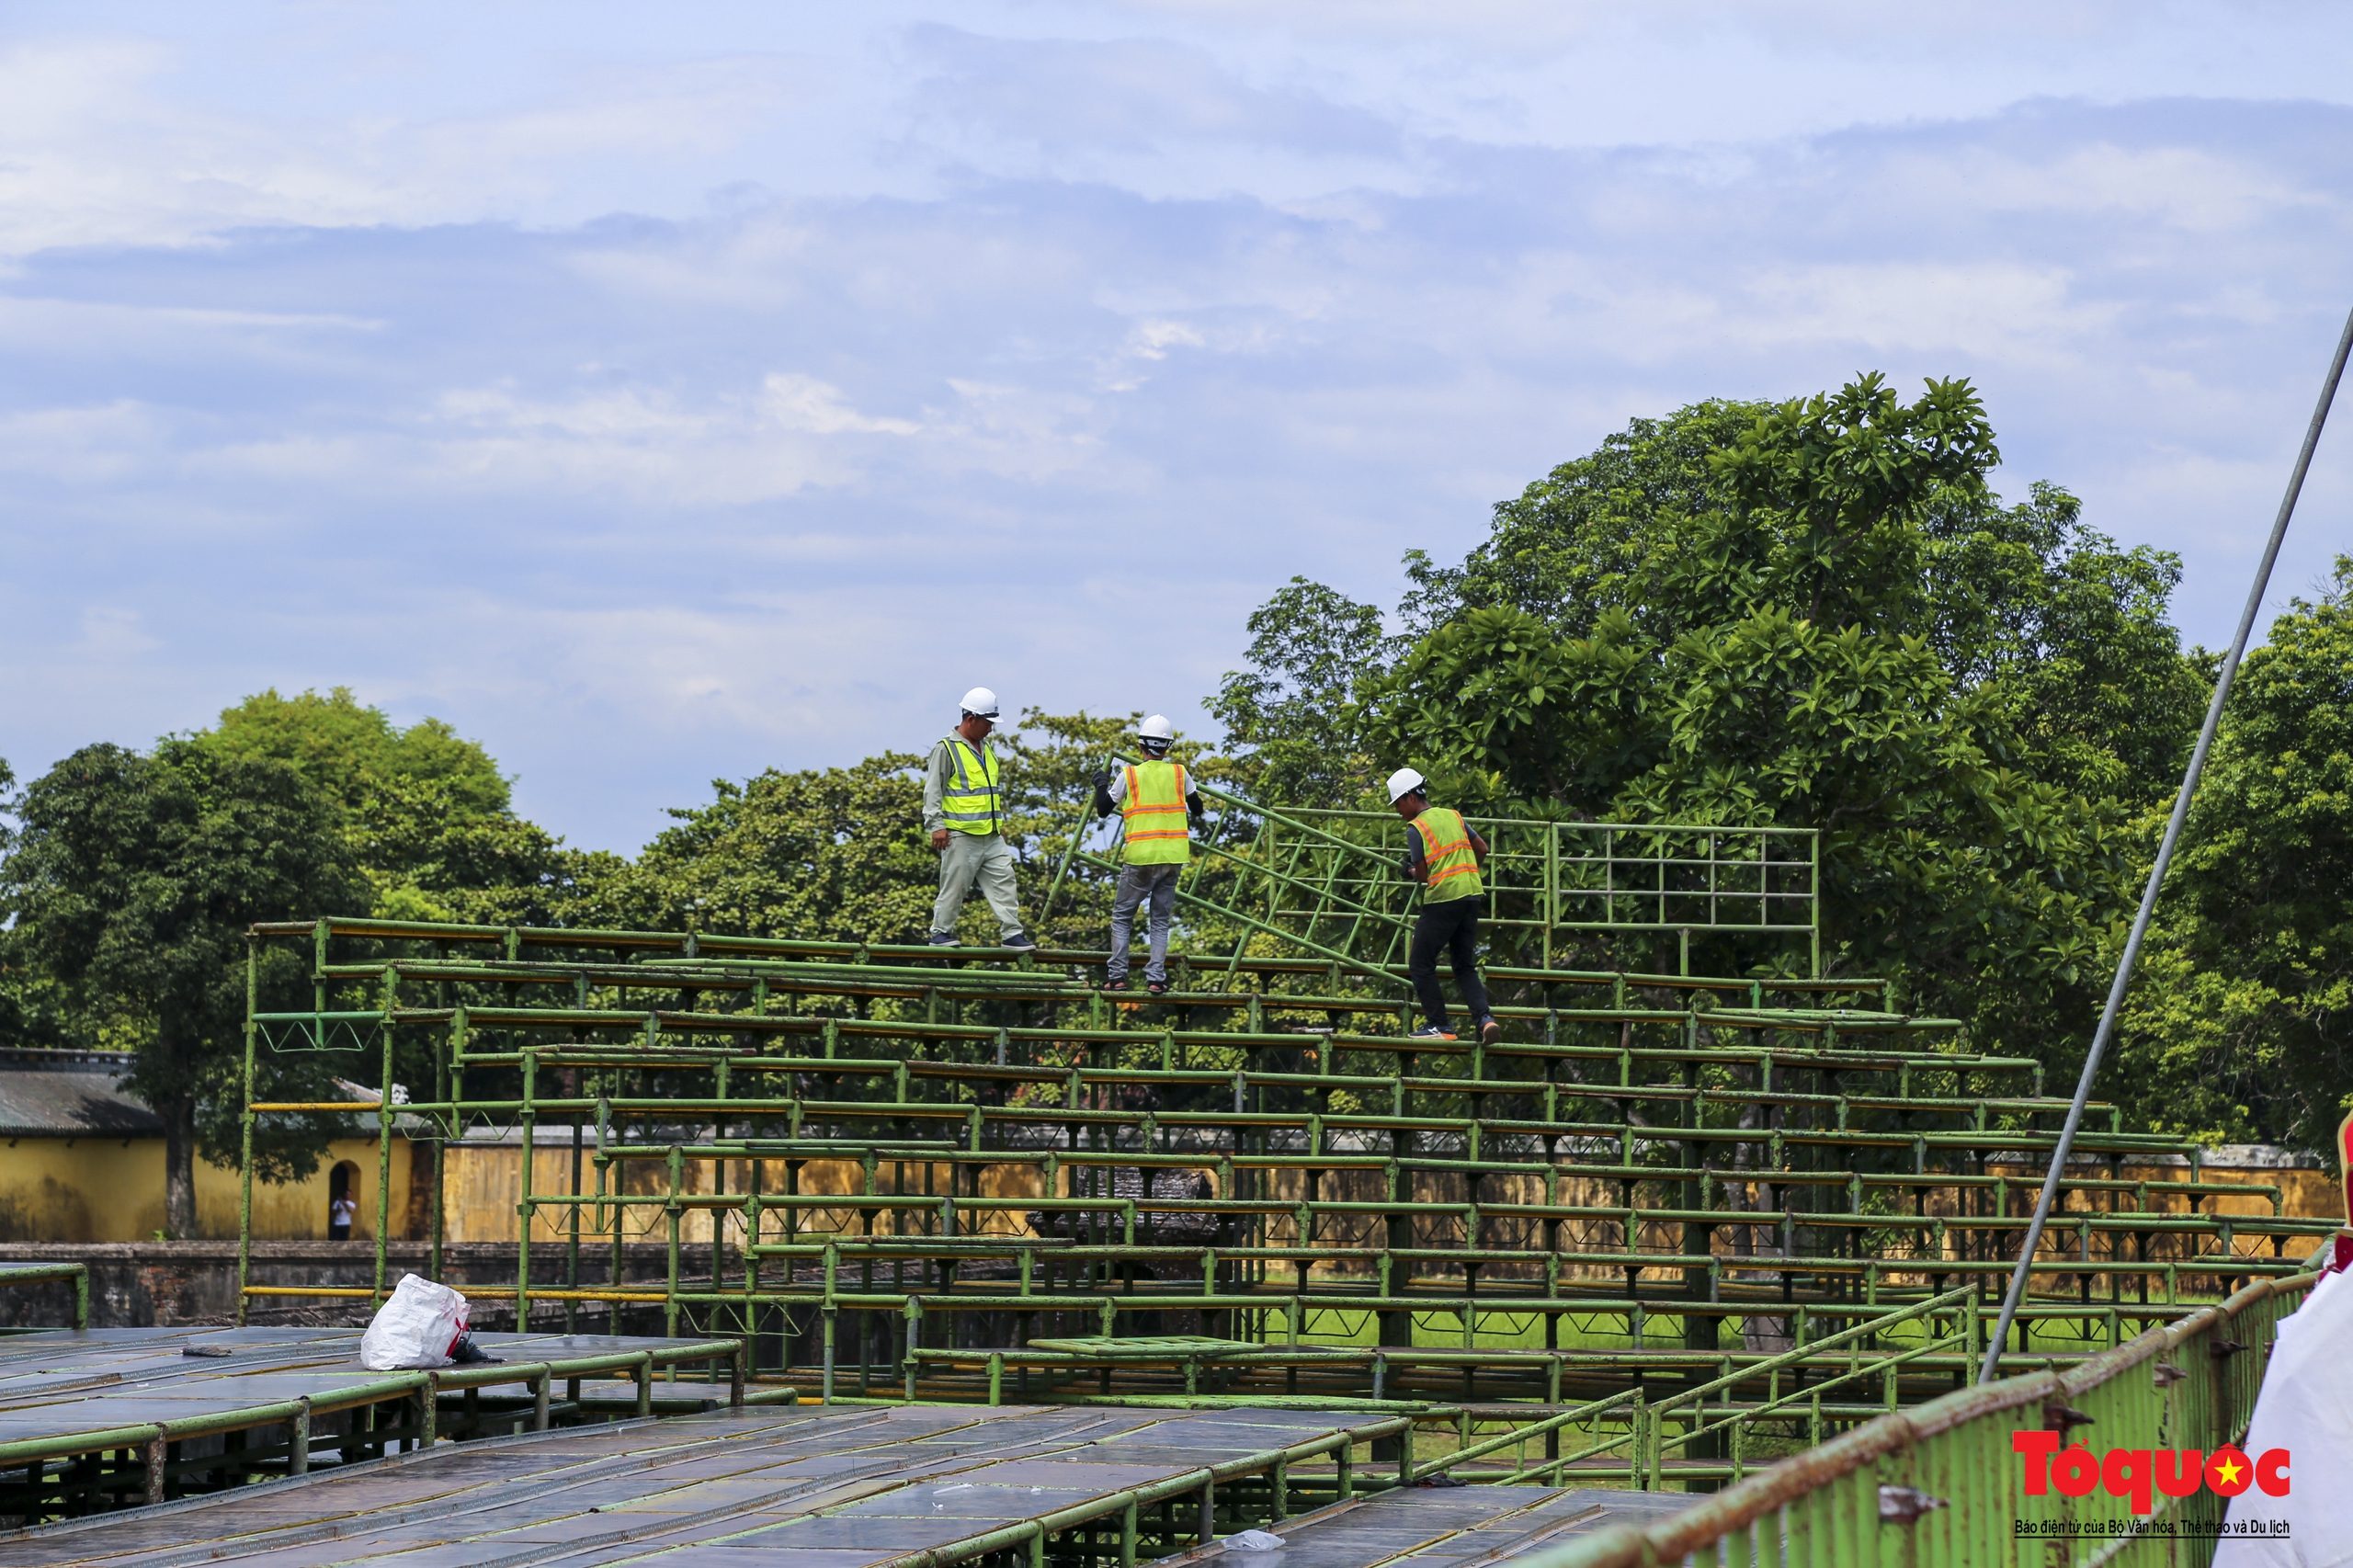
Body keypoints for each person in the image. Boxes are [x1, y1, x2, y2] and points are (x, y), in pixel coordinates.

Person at [1091, 715, 1204, 994]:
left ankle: (1117, 977)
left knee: (1122, 917)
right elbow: (1198, 807)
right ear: (1168, 747)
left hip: (1140, 858)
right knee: (1161, 920)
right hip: (1173, 856)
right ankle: (1156, 978)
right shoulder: (1180, 773)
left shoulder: (1129, 774)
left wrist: (1100, 784)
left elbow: (1104, 809)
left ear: (1140, 744)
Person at [1389, 767, 1500, 1045]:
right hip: (1472, 893)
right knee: (1464, 965)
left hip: (1443, 898)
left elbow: (1423, 874)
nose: (1398, 811)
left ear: (1411, 797)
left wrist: (1409, 872)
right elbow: (1483, 849)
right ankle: (1485, 1020)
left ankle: (1440, 1025)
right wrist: (1466, 872)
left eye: (1399, 803)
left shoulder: (1417, 828)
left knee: (1419, 963)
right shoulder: (1454, 816)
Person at [923, 687, 1035, 949]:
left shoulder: (986, 748)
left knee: (1005, 882)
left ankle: (1012, 934)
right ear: (971, 719)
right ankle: (941, 932)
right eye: (987, 723)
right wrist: (936, 826)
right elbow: (933, 790)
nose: (991, 729)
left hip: (991, 834)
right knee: (955, 885)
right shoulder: (947, 749)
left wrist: (999, 825)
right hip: (961, 834)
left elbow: (990, 792)